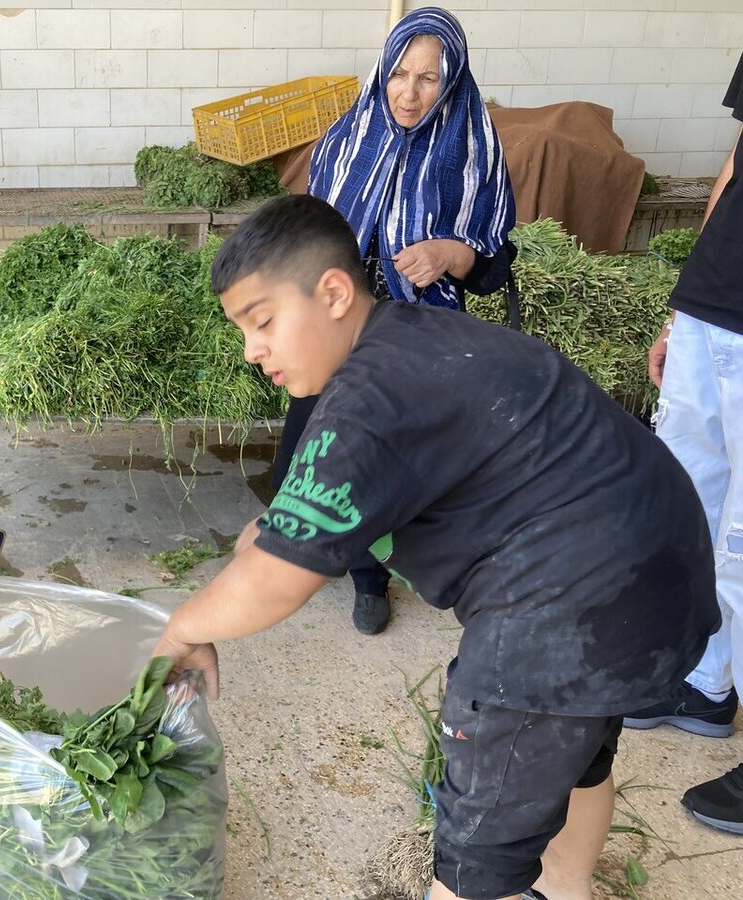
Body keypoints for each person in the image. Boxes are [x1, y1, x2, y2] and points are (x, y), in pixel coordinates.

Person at [153, 194, 719, 900]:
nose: (252, 350)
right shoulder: (412, 340)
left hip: (569, 604)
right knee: (573, 759)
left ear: (331, 293)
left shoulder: (367, 401)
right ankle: (565, 890)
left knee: (478, 844)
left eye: (262, 322)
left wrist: (183, 628)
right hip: (659, 566)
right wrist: (260, 548)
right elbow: (286, 538)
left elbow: (277, 582)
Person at [273, 7, 516, 636]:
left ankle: (372, 575)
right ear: (382, 72)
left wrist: (450, 254)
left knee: (387, 459)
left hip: (416, 334)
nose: (409, 93)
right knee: (319, 447)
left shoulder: (474, 148)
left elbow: (493, 264)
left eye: (428, 79)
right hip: (337, 328)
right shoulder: (346, 137)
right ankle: (335, 555)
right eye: (399, 75)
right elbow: (310, 230)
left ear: (453, 81)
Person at [620, 53, 743, 836]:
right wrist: (682, 308)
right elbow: (737, 163)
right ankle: (705, 683)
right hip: (715, 307)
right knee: (686, 509)